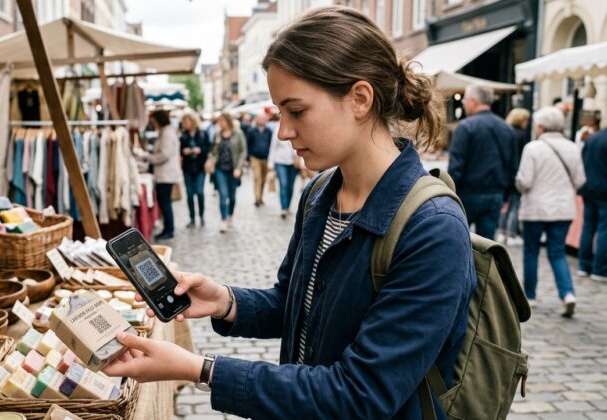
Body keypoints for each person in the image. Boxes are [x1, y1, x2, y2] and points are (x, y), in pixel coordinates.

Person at [102, 7, 476, 418]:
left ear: (360, 98)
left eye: (296, 111)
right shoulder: (320, 194)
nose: (283, 131)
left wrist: (201, 369)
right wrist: (225, 301)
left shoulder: (432, 228)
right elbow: (295, 304)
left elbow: (360, 395)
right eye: (280, 112)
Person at [515, 106, 586, 317]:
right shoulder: (573, 147)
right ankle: (567, 294)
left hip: (536, 208)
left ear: (541, 126)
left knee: (531, 251)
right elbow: (581, 180)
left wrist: (520, 186)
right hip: (563, 208)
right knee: (557, 252)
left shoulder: (533, 148)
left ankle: (530, 295)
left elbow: (524, 181)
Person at [448, 85, 516, 240]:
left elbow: (456, 166)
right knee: (486, 246)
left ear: (473, 101)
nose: (464, 104)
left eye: (465, 100)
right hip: (495, 194)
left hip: (468, 193)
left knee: (458, 240)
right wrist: (507, 195)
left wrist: (450, 194)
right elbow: (512, 165)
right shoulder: (506, 128)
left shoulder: (465, 127)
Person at [137, 110, 182, 241]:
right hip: (164, 173)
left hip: (166, 174)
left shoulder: (167, 133)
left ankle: (169, 229)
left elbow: (165, 154)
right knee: (164, 202)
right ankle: (168, 228)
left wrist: (148, 157)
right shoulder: (166, 131)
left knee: (165, 202)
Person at [497, 107, 531, 245]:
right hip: (515, 173)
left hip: (503, 174)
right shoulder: (521, 135)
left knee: (504, 206)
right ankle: (511, 233)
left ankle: (501, 231)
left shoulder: (505, 132)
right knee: (514, 205)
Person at [578, 125, 607, 282]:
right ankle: (599, 269)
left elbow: (583, 161)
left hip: (589, 188)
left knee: (588, 227)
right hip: (604, 190)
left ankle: (584, 265)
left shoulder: (593, 138)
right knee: (604, 229)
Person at [210, 112, 247, 233]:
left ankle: (230, 215)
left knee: (232, 196)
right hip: (220, 169)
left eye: (222, 121)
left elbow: (243, 151)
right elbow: (213, 152)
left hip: (233, 169)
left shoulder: (238, 133)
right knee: (223, 195)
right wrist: (215, 145)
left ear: (228, 121)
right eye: (219, 121)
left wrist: (238, 167)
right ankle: (224, 220)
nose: (220, 123)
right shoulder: (218, 134)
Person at [180, 112, 210, 228]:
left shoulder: (202, 134)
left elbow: (208, 148)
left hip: (200, 168)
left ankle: (201, 216)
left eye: (187, 121)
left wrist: (200, 150)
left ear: (192, 121)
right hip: (187, 168)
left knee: (200, 192)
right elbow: (180, 150)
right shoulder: (183, 135)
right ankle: (192, 218)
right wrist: (184, 151)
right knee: (189, 194)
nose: (185, 124)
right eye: (184, 122)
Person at [267, 113, 298, 218]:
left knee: (290, 186)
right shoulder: (277, 130)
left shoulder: (297, 128)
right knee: (283, 184)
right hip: (280, 161)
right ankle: (283, 208)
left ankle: (288, 206)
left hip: (293, 163)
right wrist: (270, 163)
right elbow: (273, 147)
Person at [246, 113, 273, 207]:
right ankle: (257, 199)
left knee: (264, 179)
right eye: (259, 119)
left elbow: (271, 145)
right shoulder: (251, 131)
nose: (261, 121)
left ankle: (261, 197)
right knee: (257, 178)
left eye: (263, 119)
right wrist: (248, 157)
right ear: (256, 120)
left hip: (266, 158)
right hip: (255, 158)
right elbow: (248, 144)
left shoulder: (269, 131)